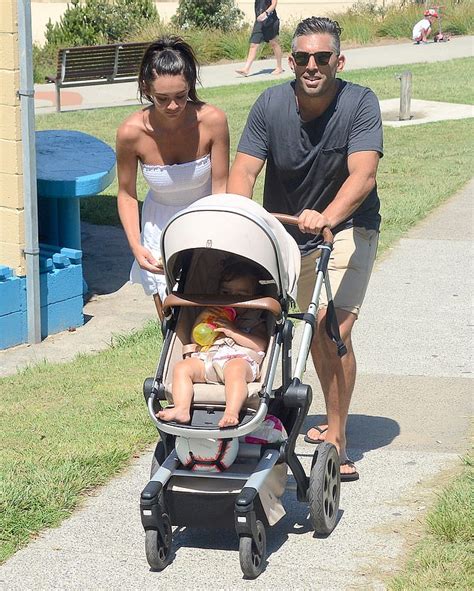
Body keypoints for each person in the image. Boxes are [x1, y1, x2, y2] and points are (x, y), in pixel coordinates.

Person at [227, 17, 383, 481]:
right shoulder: (270, 104)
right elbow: (244, 172)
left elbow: (363, 175)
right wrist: (237, 220)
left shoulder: (360, 103)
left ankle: (337, 436)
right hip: (287, 232)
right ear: (291, 61)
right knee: (283, 323)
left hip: (346, 228)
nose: (311, 66)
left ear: (339, 60)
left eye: (321, 58)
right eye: (302, 58)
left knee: (330, 327)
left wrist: (328, 216)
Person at [116, 37, 230, 319]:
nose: (173, 106)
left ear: (190, 84)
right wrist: (136, 244)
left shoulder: (213, 121)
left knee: (209, 314)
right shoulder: (131, 132)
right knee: (171, 319)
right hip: (158, 227)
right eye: (162, 99)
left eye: (181, 96)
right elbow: (127, 193)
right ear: (146, 89)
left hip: (207, 221)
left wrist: (218, 235)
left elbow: (221, 187)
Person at [158, 261, 268, 428]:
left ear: (253, 297)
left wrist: (233, 332)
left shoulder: (254, 318)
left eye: (240, 295)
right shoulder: (212, 313)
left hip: (238, 361)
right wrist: (203, 321)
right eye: (226, 292)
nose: (232, 299)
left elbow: (260, 345)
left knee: (234, 370)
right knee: (182, 368)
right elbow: (195, 341)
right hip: (207, 360)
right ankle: (181, 408)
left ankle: (231, 412)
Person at [236, 0, 283, 77]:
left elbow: (274, 4)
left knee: (274, 44)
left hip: (270, 21)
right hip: (259, 22)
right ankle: (246, 69)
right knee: (253, 44)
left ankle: (279, 67)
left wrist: (266, 13)